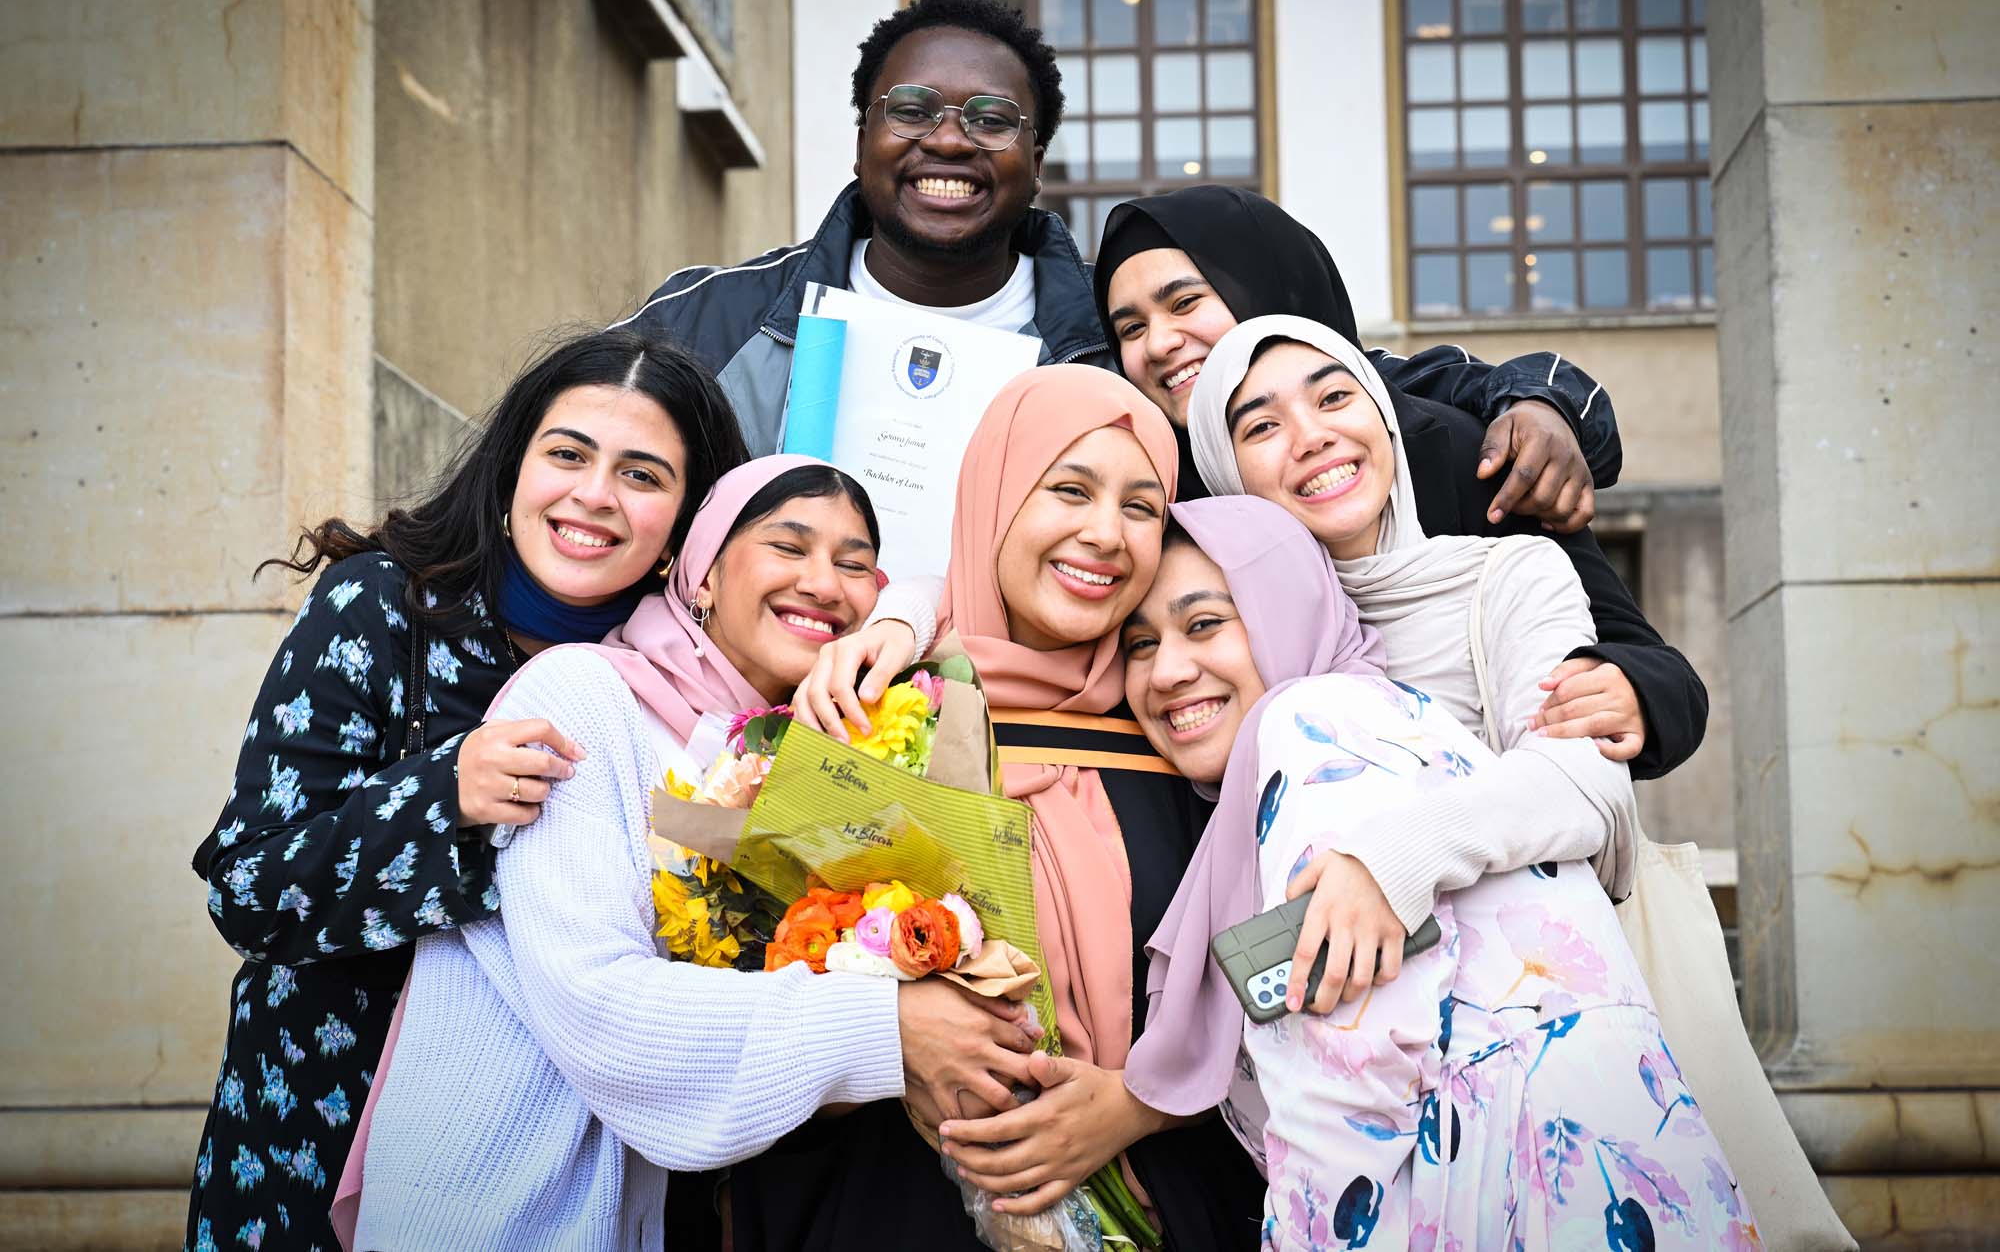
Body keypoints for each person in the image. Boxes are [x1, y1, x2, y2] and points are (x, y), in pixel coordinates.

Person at [350, 457, 1040, 1250]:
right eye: (789, 546)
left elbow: (960, 582)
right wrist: (888, 1026)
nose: (825, 583)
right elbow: (600, 1007)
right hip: (494, 1205)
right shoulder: (583, 696)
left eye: (855, 565)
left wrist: (896, 625)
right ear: (702, 573)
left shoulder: (798, 759)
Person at [623, 0, 1601, 539]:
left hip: (1039, 756)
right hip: (746, 733)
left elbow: (1359, 383)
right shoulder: (718, 317)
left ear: (1035, 159)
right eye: (912, 109)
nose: (949, 141)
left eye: (992, 119)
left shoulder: (1114, 338)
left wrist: (1541, 402)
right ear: (862, 136)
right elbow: (562, 463)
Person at [182, 328, 750, 1252]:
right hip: (319, 1142)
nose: (594, 495)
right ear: (511, 469)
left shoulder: (696, 692)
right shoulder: (383, 610)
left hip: (584, 1174)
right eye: (567, 454)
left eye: (643, 475)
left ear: (690, 525)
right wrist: (441, 796)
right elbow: (248, 890)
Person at [1119, 496, 1756, 1248]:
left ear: (1282, 611)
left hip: (1524, 1192)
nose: (1167, 670)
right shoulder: (1389, 721)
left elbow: (1350, 1061)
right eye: (1138, 643)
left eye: (1204, 624)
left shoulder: (1315, 726)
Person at [739, 365, 1261, 1249]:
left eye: (1141, 506)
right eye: (1069, 489)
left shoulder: (1189, 737)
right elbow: (745, 1013)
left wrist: (1139, 1109)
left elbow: (1276, 1005)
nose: (1106, 534)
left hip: (1172, 1207)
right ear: (994, 496)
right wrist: (889, 1037)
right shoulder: (868, 718)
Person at [1094, 185, 1708, 783]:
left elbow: (1654, 675)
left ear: (1264, 284)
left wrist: (1624, 692)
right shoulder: (1161, 500)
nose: (1160, 343)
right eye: (1130, 329)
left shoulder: (1450, 449)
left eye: (1183, 303)